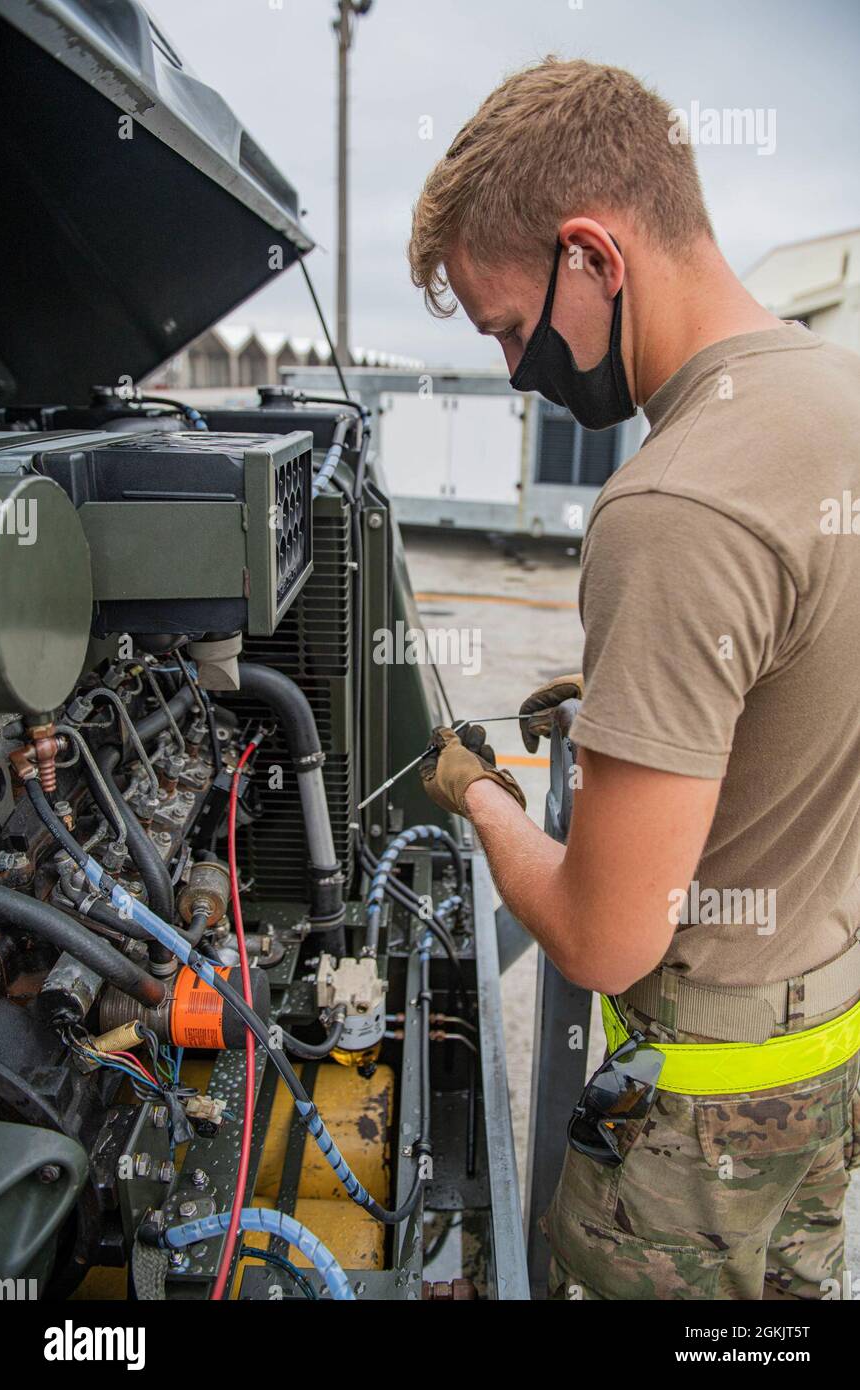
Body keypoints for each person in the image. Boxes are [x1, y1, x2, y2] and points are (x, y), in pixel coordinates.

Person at [407, 57, 860, 1300]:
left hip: (691, 1143)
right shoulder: (834, 399)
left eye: (508, 326)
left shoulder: (673, 503)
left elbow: (606, 937)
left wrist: (482, 795)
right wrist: (639, 709)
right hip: (822, 1077)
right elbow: (803, 680)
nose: (513, 372)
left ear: (592, 255)